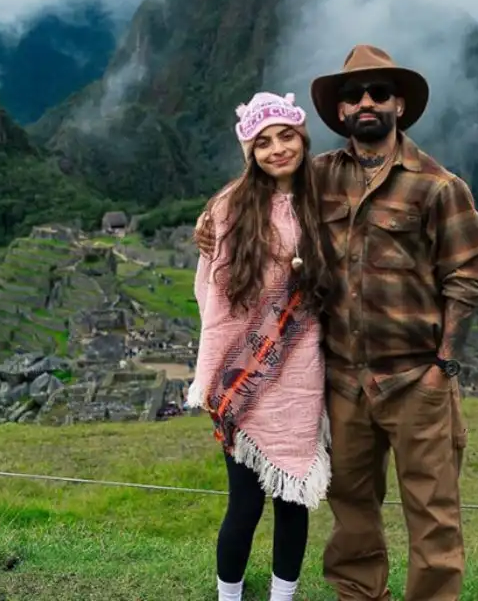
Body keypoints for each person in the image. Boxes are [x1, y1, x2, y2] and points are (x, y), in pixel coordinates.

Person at [311, 44, 478, 601]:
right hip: (343, 379)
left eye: (378, 92)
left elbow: (466, 278)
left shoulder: (437, 186)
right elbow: (254, 195)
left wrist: (444, 366)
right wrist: (209, 221)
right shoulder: (317, 179)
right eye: (353, 95)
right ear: (340, 111)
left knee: (433, 512)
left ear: (399, 104)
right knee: (351, 507)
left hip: (417, 380)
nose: (365, 102)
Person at [188, 91, 336, 601]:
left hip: (302, 372)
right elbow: (212, 289)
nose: (276, 149)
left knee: (293, 498)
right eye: (263, 142)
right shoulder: (230, 207)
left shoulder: (328, 198)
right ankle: (229, 596)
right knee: (245, 502)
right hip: (245, 375)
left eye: (285, 136)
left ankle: (282, 595)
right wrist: (215, 368)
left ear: (302, 138)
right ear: (249, 152)